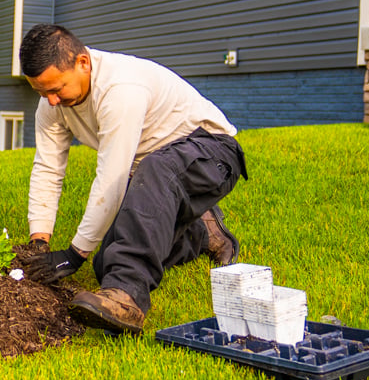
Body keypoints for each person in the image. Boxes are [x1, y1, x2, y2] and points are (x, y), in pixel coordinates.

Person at [19, 24, 248, 335]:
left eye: (57, 89)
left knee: (152, 171)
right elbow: (48, 166)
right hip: (156, 176)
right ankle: (200, 233)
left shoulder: (120, 88)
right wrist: (39, 243)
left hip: (213, 154)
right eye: (41, 92)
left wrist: (74, 254)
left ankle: (126, 297)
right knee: (106, 263)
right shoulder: (51, 104)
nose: (51, 101)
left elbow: (112, 176)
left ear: (82, 63)